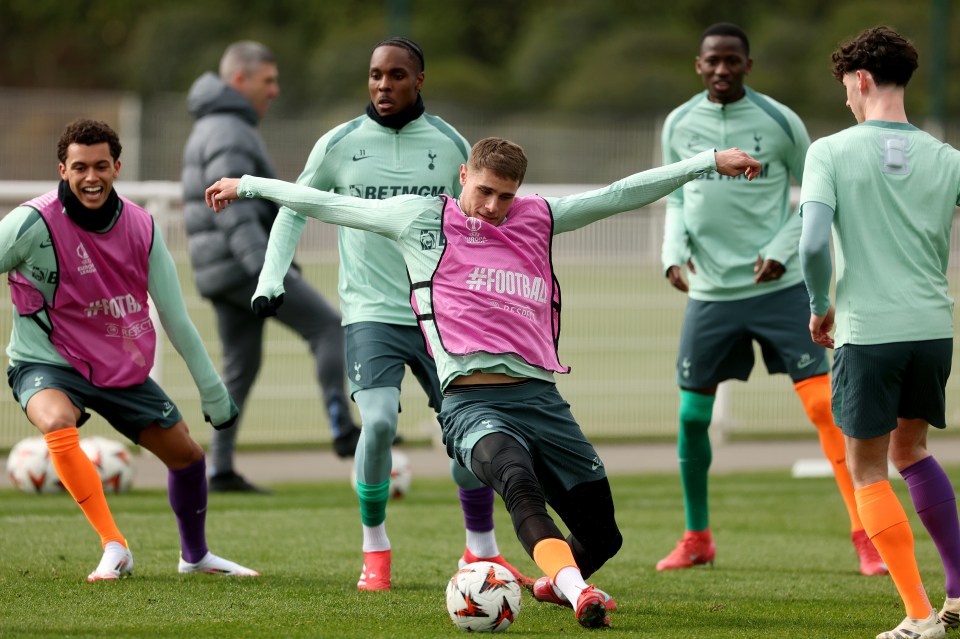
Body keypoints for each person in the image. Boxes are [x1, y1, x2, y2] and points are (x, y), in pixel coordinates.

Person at [205, 137, 760, 628]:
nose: (494, 207)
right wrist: (248, 185)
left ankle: (554, 581)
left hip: (542, 398)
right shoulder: (419, 217)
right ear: (463, 176)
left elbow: (619, 193)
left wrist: (706, 162)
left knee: (604, 536)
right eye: (485, 191)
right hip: (470, 402)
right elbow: (329, 204)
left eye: (506, 196)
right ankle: (578, 591)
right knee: (518, 483)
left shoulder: (539, 217)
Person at [282, 37, 530, 591]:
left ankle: (480, 550)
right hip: (371, 312)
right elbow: (296, 205)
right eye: (374, 75)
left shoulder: (448, 145)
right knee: (379, 422)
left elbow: (479, 220)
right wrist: (273, 277)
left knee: (472, 430)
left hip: (443, 315)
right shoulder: (340, 143)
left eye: (396, 75)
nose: (382, 85)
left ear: (419, 80)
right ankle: (375, 548)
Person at [656, 22, 886, 576]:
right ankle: (697, 537)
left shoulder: (782, 121)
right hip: (711, 295)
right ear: (698, 64)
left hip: (778, 291)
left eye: (731, 61)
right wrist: (672, 252)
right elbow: (676, 198)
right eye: (712, 60)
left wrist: (785, 248)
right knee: (691, 418)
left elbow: (814, 194)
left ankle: (867, 535)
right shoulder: (679, 124)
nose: (721, 69)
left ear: (747, 65)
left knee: (824, 409)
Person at [1, 118, 258, 581]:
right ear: (63, 169)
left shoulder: (142, 226)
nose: (91, 177)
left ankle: (195, 557)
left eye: (101, 165)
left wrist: (213, 391)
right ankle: (114, 545)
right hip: (46, 361)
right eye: (80, 167)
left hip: (119, 365)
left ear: (117, 167)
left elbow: (176, 317)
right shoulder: (30, 223)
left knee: (189, 458)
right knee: (57, 421)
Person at [799, 26, 960, 639]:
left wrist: (820, 303)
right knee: (911, 452)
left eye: (845, 87)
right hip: (932, 329)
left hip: (868, 332)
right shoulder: (948, 159)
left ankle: (920, 618)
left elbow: (813, 242)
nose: (845, 99)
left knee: (868, 470)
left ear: (861, 80)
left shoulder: (831, 152)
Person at [182, 41, 361, 493]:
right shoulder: (229, 130)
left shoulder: (213, 124)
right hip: (246, 265)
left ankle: (218, 470)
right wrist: (269, 274)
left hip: (219, 269)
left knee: (239, 368)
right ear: (239, 80)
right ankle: (342, 426)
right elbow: (235, 210)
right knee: (328, 328)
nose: (276, 90)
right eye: (268, 80)